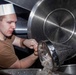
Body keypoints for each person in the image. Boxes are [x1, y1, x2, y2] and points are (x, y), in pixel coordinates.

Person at [0, 3, 38, 69]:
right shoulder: (1, 48)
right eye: (9, 22)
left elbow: (17, 40)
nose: (14, 26)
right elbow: (19, 66)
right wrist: (37, 54)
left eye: (15, 22)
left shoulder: (4, 35)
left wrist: (25, 41)